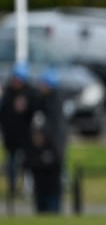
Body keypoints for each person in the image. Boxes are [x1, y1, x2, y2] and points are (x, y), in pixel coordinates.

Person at [25, 68, 67, 214]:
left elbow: (54, 131)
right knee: (40, 185)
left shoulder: (54, 105)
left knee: (52, 186)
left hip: (52, 153)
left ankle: (52, 210)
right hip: (40, 155)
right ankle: (42, 210)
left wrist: (45, 139)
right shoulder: (40, 102)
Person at [2, 61, 35, 209]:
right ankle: (12, 189)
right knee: (11, 165)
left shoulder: (29, 94)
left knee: (26, 165)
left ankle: (27, 189)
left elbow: (33, 114)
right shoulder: (8, 93)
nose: (16, 81)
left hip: (25, 138)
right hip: (10, 138)